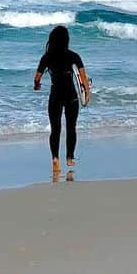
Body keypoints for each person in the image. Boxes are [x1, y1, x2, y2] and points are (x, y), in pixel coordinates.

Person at [33, 24, 90, 177]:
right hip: (71, 96)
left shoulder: (47, 57)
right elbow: (83, 79)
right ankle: (70, 158)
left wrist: (37, 86)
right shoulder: (74, 56)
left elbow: (37, 77)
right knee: (71, 127)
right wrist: (87, 93)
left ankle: (55, 158)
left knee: (55, 129)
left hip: (55, 96)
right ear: (66, 40)